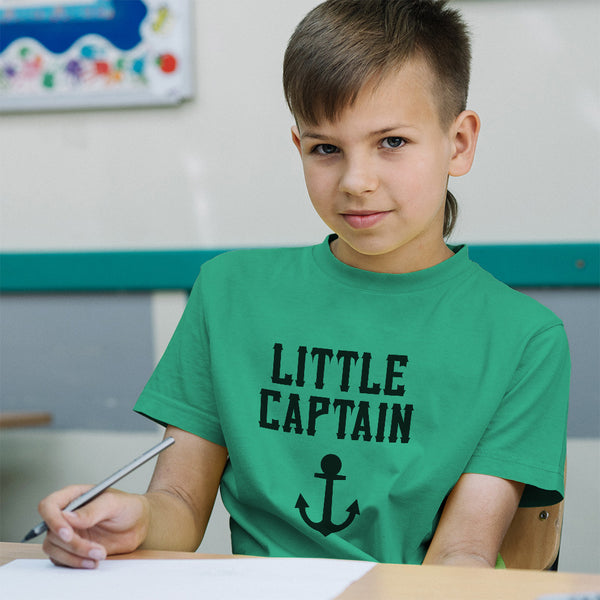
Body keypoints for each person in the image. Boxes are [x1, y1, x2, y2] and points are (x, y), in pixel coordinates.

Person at [38, 0, 569, 570]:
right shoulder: (228, 293)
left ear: (458, 143)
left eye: (391, 142)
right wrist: (135, 518)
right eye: (326, 148)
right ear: (300, 148)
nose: (355, 181)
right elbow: (180, 505)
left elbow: (462, 552)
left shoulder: (524, 339)